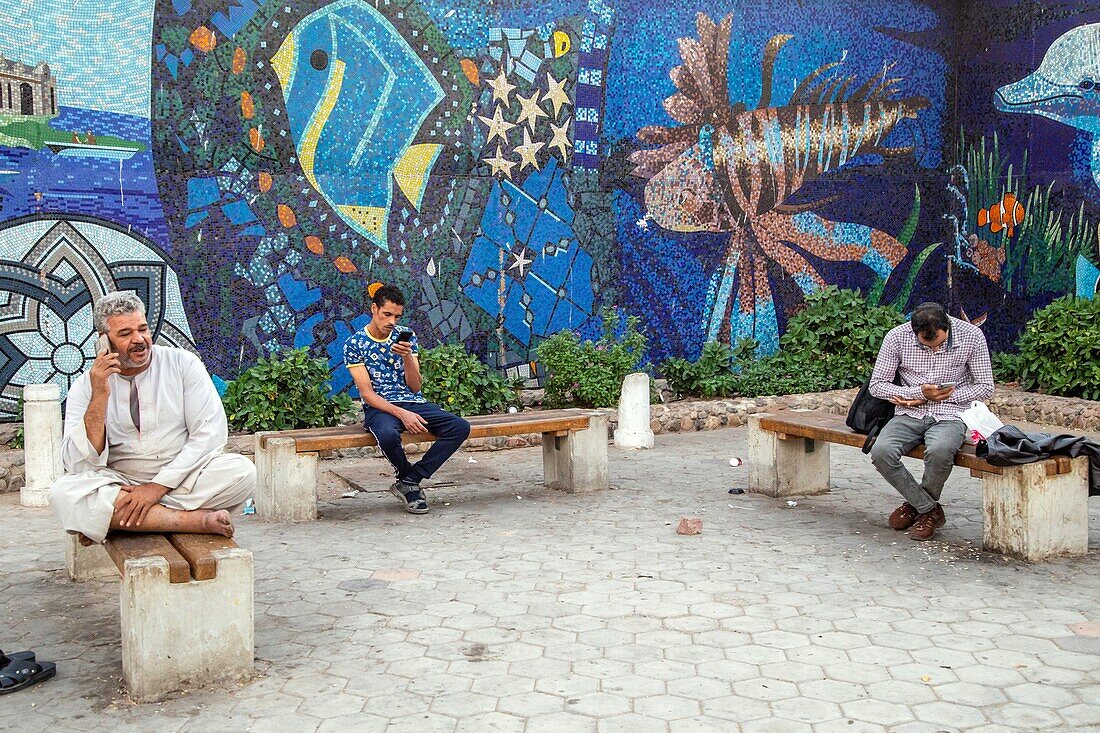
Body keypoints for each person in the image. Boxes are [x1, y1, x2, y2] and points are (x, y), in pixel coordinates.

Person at [50, 292, 255, 544]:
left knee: (242, 472)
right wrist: (100, 395)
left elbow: (209, 434)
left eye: (143, 329)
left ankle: (114, 520)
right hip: (120, 481)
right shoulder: (87, 386)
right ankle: (194, 521)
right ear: (104, 341)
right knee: (64, 493)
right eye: (125, 334)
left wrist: (154, 489)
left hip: (180, 478)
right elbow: (78, 462)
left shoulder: (183, 364)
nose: (139, 340)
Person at [868, 302, 994, 541]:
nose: (934, 348)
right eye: (927, 344)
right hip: (909, 412)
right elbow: (877, 386)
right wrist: (918, 393)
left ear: (947, 326)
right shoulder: (896, 337)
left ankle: (915, 507)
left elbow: (986, 387)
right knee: (881, 451)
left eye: (939, 343)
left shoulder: (971, 335)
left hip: (952, 412)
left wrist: (949, 394)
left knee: (940, 451)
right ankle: (929, 510)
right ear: (914, 332)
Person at [344, 284, 470, 514]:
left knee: (459, 427)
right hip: (380, 407)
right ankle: (408, 482)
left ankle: (411, 479)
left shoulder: (406, 336)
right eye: (387, 314)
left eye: (397, 316)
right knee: (387, 434)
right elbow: (367, 394)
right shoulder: (355, 344)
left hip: (414, 402)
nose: (392, 321)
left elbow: (415, 386)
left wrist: (408, 358)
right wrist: (402, 413)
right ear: (374, 309)